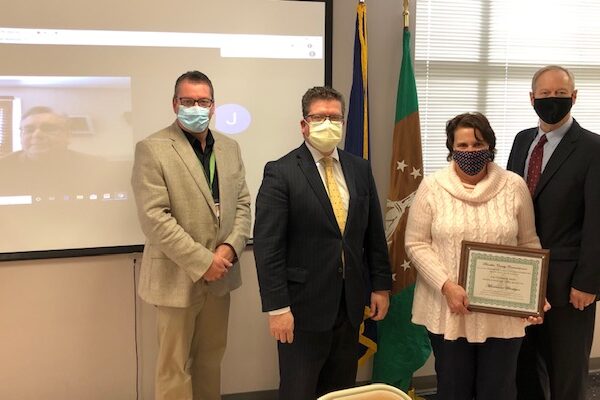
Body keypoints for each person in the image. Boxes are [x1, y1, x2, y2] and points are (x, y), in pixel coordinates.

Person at [253, 86, 392, 400]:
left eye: (335, 118)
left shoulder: (359, 168)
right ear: (304, 124)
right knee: (299, 391)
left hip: (350, 305)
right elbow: (268, 246)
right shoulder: (281, 172)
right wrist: (277, 308)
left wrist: (381, 285)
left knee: (340, 392)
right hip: (302, 311)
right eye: (320, 117)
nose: (328, 124)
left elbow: (373, 233)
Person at [406, 112, 546, 400]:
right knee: (454, 390)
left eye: (478, 144)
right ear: (451, 149)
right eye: (463, 146)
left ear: (490, 147)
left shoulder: (514, 186)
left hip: (503, 314)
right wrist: (446, 285)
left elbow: (529, 242)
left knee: (499, 390)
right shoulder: (432, 187)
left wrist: (535, 291)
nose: (470, 151)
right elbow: (416, 244)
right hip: (450, 310)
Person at [131, 70, 251, 400]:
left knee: (211, 361)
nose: (195, 107)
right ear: (174, 104)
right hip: (176, 277)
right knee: (174, 368)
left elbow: (242, 204)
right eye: (188, 101)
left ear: (213, 107)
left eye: (203, 101)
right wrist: (202, 261)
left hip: (221, 276)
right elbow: (155, 218)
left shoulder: (229, 147)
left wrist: (229, 248)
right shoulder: (153, 148)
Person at [507, 65, 600, 400]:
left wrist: (588, 282)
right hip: (521, 280)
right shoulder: (522, 141)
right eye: (545, 95)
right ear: (532, 98)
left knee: (566, 374)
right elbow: (512, 202)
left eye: (560, 95)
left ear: (574, 97)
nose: (552, 101)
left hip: (569, 286)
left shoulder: (593, 148)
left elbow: (597, 222)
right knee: (525, 368)